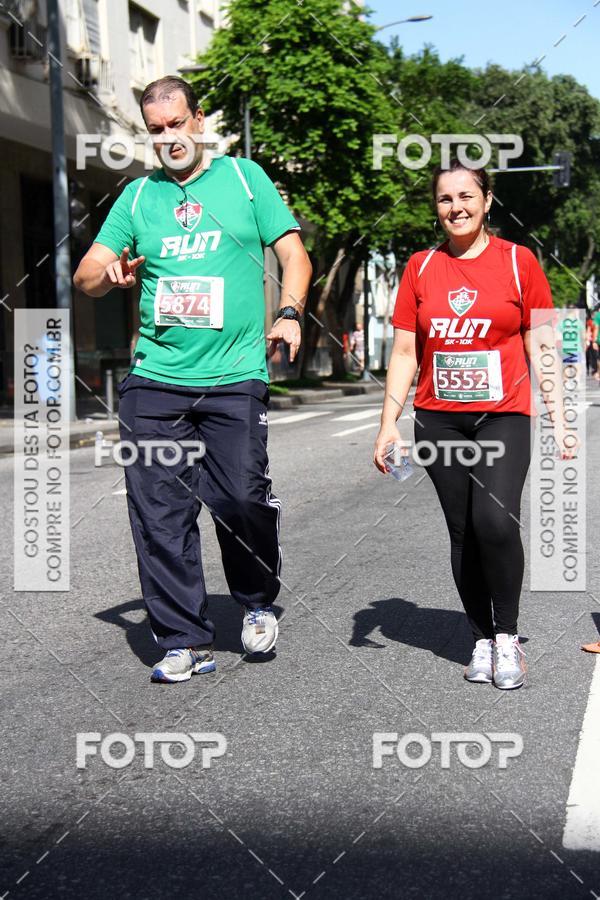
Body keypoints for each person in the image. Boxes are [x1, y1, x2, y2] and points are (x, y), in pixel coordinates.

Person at [74, 76, 312, 683]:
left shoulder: (243, 179)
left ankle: (256, 598)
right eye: (156, 131)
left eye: (177, 124)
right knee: (159, 512)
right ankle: (182, 637)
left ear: (198, 120)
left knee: (238, 498)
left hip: (233, 374)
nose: (169, 138)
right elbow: (87, 276)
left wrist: (287, 313)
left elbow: (293, 254)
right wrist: (112, 275)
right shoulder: (135, 198)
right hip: (154, 379)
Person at [374, 159, 574, 691]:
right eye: (444, 199)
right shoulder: (419, 267)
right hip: (439, 420)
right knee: (462, 531)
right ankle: (481, 638)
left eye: (467, 196)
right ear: (435, 208)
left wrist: (560, 415)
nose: (455, 208)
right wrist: (388, 423)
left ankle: (507, 637)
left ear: (487, 201)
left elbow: (542, 341)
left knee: (494, 521)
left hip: (503, 414)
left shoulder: (518, 261)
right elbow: (404, 349)